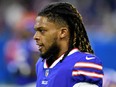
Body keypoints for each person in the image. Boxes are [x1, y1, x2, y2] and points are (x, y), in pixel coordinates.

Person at [33, 2, 103, 87]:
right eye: (36, 31)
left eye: (42, 31)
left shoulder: (82, 63)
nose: (35, 37)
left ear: (62, 32)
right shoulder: (40, 63)